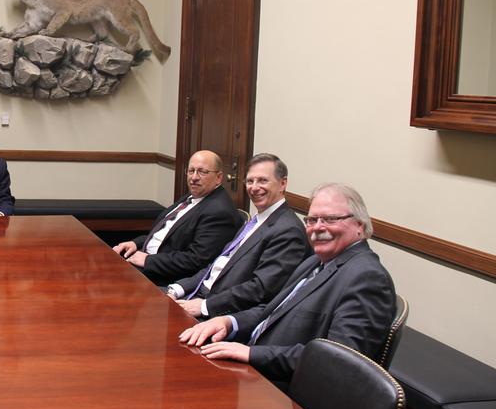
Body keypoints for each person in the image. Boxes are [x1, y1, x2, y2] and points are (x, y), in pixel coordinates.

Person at [178, 183, 396, 388]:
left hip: (284, 391)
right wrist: (228, 321)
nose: (318, 228)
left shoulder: (367, 277)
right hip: (252, 367)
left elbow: (337, 361)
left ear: (360, 225)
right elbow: (271, 311)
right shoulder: (316, 261)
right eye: (311, 220)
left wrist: (251, 354)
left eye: (330, 219)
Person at [166, 153, 311, 318]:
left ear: (283, 183)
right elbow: (219, 264)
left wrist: (205, 306)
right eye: (250, 181)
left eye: (263, 180)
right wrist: (177, 289)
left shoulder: (288, 230)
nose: (254, 187)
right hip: (196, 294)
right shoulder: (257, 220)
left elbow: (260, 289)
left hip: (220, 313)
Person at [113, 150, 239, 286]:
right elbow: (165, 234)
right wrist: (136, 244)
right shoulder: (193, 196)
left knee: (108, 278)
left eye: (202, 172)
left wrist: (148, 260)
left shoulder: (219, 211)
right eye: (191, 171)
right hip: (147, 259)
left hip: (164, 277)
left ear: (219, 177)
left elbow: (195, 260)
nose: (194, 177)